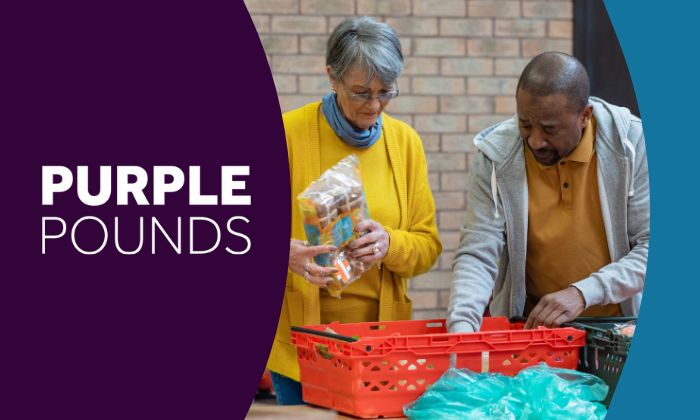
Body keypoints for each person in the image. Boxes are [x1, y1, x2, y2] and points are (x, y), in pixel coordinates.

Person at [267, 16, 442, 404]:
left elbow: (427, 247)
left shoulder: (405, 144)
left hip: (380, 349)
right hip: (301, 349)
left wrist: (389, 244)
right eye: (361, 92)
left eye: (386, 92)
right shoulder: (287, 135)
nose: (374, 106)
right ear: (332, 77)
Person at [448, 52, 648, 333]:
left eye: (550, 129)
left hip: (617, 330)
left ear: (584, 117)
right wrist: (461, 329)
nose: (535, 140)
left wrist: (582, 293)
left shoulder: (634, 144)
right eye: (525, 124)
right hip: (532, 332)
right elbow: (478, 250)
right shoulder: (495, 154)